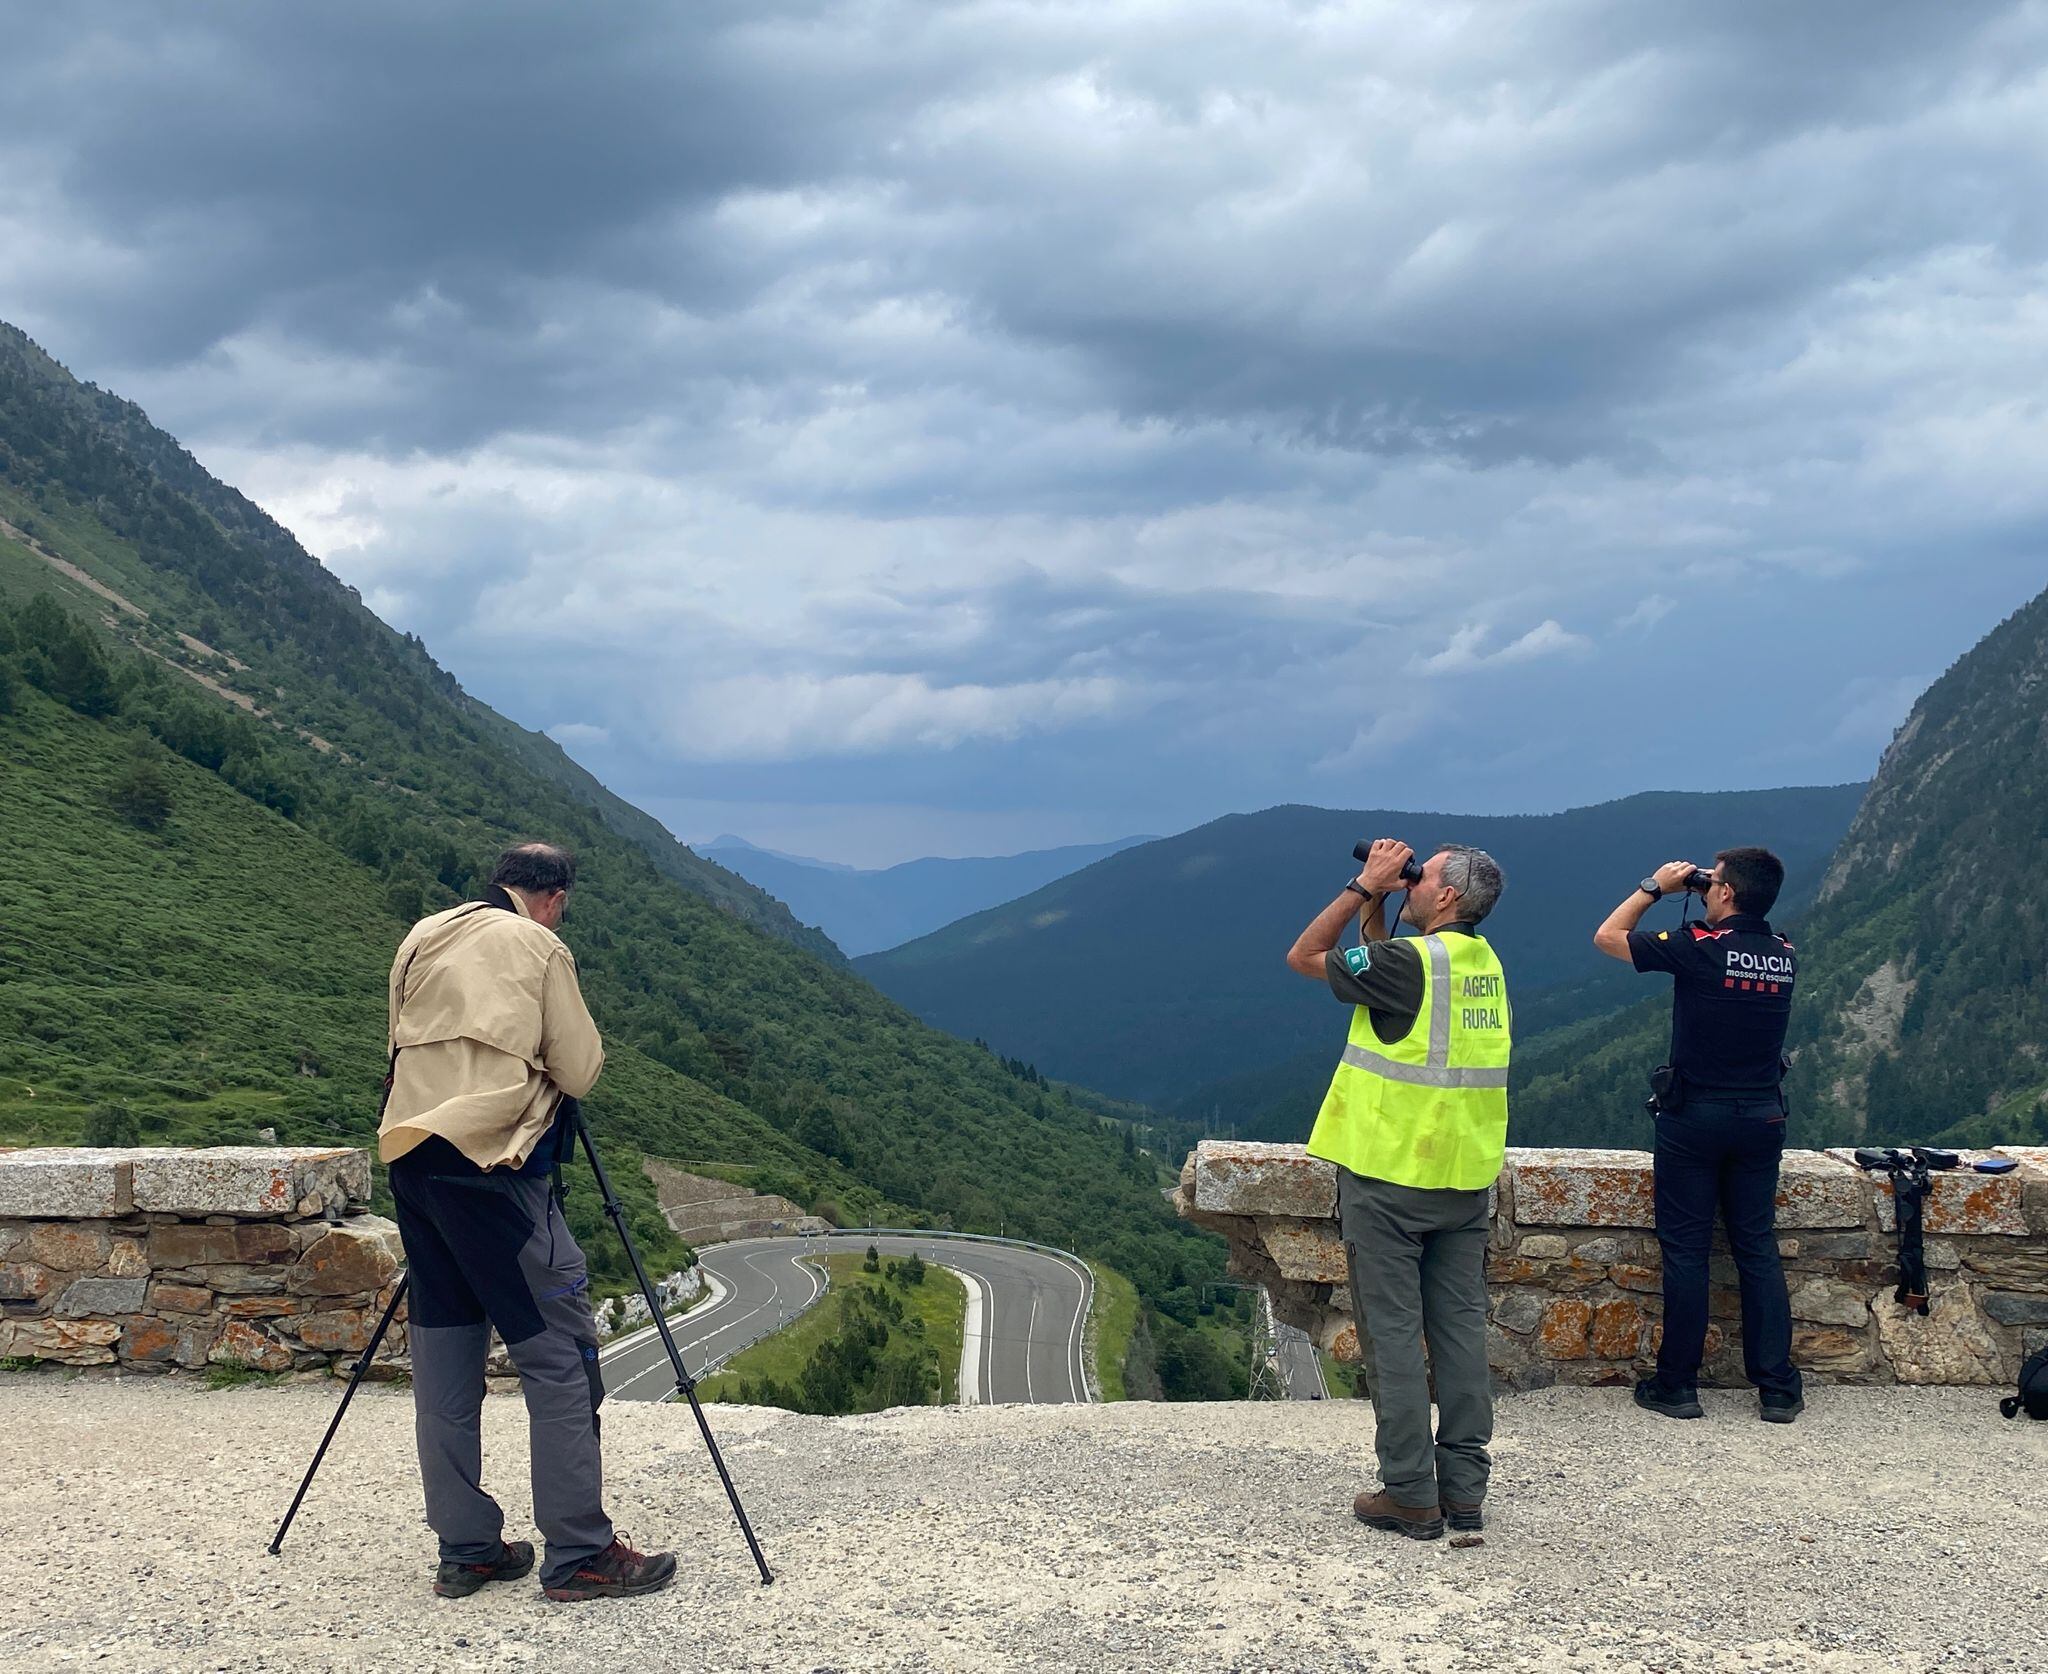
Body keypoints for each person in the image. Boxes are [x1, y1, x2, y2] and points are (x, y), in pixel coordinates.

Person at [379, 842, 678, 1602]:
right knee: (561, 1360)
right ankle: (579, 1553)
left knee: (446, 1361)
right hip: (497, 1174)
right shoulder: (540, 945)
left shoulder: (425, 933)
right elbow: (578, 1070)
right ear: (555, 896)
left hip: (413, 1162)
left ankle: (467, 1547)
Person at [1287, 839, 1511, 1542]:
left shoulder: (1410, 963)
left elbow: (1303, 956)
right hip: (1463, 1177)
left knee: (1392, 1338)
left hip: (1388, 1180)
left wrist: (1362, 885)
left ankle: (1411, 1492)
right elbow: (1395, 991)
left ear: (1445, 896)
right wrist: (1383, 905)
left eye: (1420, 879)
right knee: (1458, 1335)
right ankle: (1466, 1494)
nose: (1410, 886)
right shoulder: (1480, 962)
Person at [1593, 847, 1804, 1424]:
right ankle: (1778, 1388)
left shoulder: (1701, 949)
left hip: (1696, 1118)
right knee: (1756, 1247)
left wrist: (1655, 886)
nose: (1707, 889)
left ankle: (1678, 1385)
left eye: (1714, 884)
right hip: (1763, 1116)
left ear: (1727, 892)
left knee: (1687, 1251)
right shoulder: (1783, 954)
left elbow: (1608, 937)